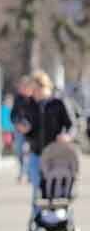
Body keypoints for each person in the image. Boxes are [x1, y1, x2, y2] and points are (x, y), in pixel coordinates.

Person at [26, 71, 75, 218]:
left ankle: (57, 218)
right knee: (37, 189)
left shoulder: (59, 103)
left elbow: (72, 125)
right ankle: (38, 220)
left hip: (54, 155)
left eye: (35, 90)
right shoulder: (31, 104)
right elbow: (29, 127)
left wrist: (67, 136)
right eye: (32, 90)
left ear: (44, 87)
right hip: (36, 153)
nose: (33, 93)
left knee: (55, 189)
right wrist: (26, 130)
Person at [11, 75, 38, 183]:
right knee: (19, 151)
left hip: (31, 130)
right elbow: (13, 114)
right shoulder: (18, 98)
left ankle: (28, 173)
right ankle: (22, 171)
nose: (21, 89)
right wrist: (17, 123)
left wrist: (30, 126)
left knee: (29, 151)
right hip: (19, 129)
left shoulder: (34, 99)